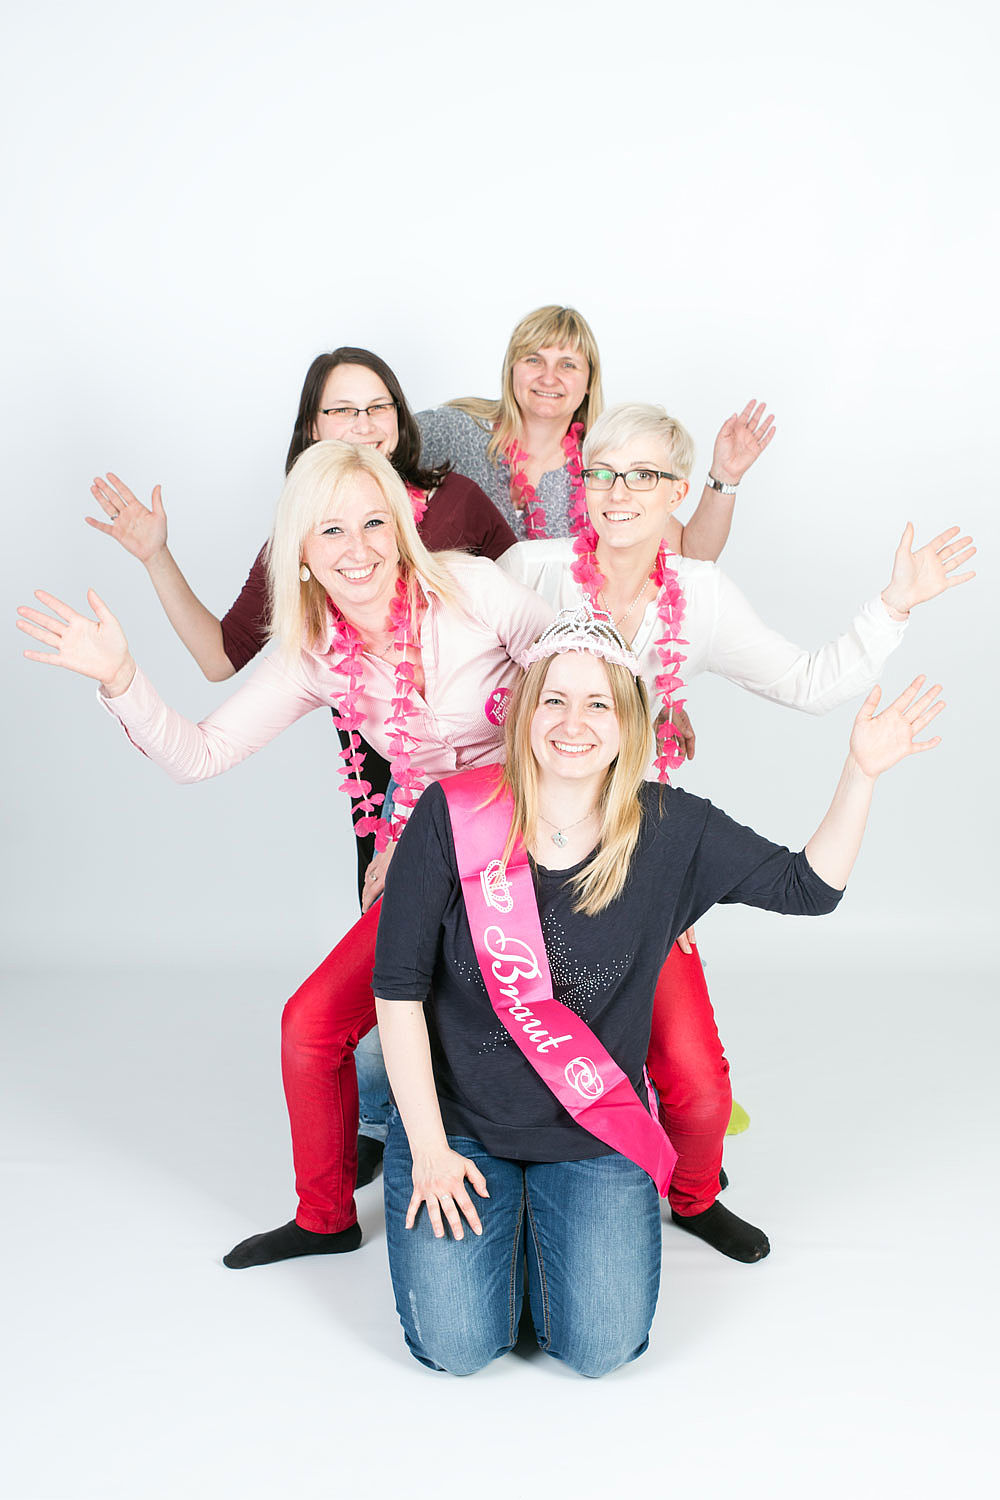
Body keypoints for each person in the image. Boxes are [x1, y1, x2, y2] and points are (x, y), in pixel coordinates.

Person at [372, 606, 947, 1376]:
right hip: (459, 1124)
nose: (573, 723)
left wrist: (860, 773)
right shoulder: (453, 814)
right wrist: (430, 1149)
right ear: (525, 709)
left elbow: (808, 888)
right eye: (555, 699)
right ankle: (504, 1219)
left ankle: (537, 1224)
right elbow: (398, 990)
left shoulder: (673, 829)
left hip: (593, 1125)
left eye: (598, 704)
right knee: (457, 1348)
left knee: (601, 1348)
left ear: (629, 722)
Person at [19, 441, 553, 1266]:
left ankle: (642, 1171)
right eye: (331, 530)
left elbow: (586, 678)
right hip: (431, 867)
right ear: (300, 550)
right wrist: (123, 677)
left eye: (374, 523)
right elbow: (201, 755)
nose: (358, 548)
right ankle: (324, 1217)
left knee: (531, 1022)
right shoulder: (312, 655)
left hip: (537, 849)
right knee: (310, 1026)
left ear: (401, 527)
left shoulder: (473, 590)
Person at [497, 403, 977, 1261]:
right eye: (602, 472)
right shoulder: (531, 570)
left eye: (642, 475)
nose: (617, 492)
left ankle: (693, 1195)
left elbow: (809, 683)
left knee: (701, 1090)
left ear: (677, 491)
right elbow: (461, 682)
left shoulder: (702, 597)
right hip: (514, 849)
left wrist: (894, 604)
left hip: (629, 854)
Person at [85, 346, 518, 1182]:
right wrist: (123, 674)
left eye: (377, 406)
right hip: (403, 805)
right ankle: (359, 1162)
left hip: (520, 803)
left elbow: (561, 660)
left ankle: (523, 1133)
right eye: (340, 409)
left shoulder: (470, 568)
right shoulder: (313, 631)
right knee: (361, 993)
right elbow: (214, 701)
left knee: (484, 984)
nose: (356, 550)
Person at [416, 303, 774, 549]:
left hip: (559, 634)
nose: (549, 377)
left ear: (589, 381)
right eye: (534, 360)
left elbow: (690, 552)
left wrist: (724, 477)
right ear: (512, 369)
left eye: (568, 364)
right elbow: (386, 440)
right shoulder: (454, 431)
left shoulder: (604, 463)